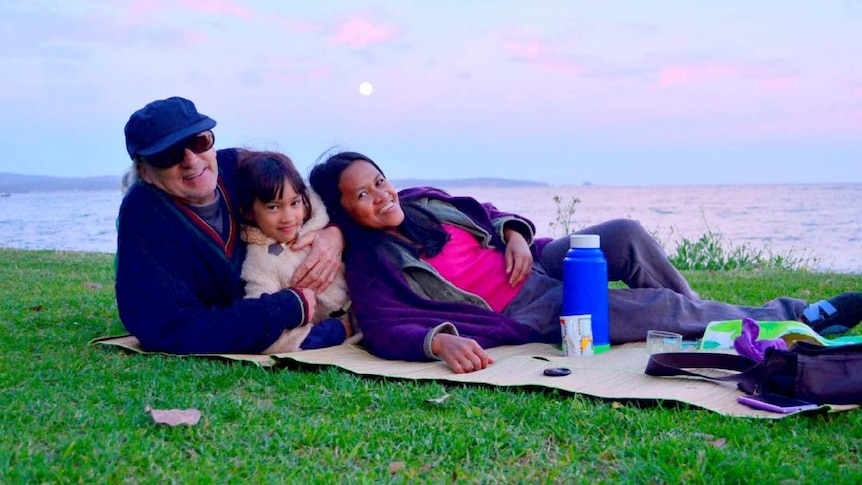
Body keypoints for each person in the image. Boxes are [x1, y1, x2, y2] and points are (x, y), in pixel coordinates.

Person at [308, 150, 862, 374]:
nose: (381, 196)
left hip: (540, 260)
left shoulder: (425, 199)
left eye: (379, 181)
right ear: (345, 209)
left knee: (624, 234)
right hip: (525, 307)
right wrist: (439, 341)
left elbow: (489, 210)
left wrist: (515, 235)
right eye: (362, 195)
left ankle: (717, 325)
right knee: (654, 305)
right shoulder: (373, 260)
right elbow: (383, 328)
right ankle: (796, 318)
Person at [117, 96, 347, 355]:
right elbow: (166, 328)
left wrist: (335, 233)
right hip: (278, 313)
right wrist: (287, 308)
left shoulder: (240, 167)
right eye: (169, 154)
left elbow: (311, 196)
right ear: (145, 172)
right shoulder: (143, 216)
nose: (191, 160)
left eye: (199, 142)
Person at [234, 149, 359, 353]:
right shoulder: (260, 263)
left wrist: (337, 233)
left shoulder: (323, 216)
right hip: (344, 327)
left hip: (371, 305)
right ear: (248, 212)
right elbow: (263, 330)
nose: (288, 217)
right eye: (273, 207)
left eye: (294, 203)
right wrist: (337, 330)